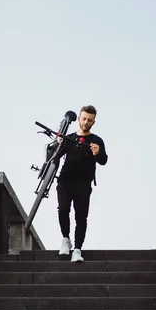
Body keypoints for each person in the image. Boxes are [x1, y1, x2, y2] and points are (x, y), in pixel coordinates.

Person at [56, 105, 108, 262]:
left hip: (84, 183)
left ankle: (77, 249)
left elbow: (104, 161)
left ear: (93, 122)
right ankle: (66, 239)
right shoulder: (69, 138)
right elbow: (55, 156)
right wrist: (58, 143)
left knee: (81, 217)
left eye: (89, 120)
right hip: (65, 180)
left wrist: (98, 153)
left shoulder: (97, 140)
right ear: (79, 118)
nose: (86, 122)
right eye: (84, 119)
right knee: (63, 209)